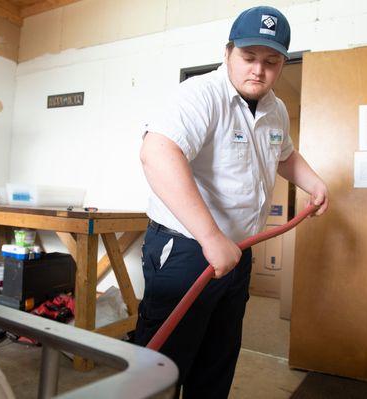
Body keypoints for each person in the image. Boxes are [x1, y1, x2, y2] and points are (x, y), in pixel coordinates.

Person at [135, 5, 329, 398]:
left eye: (271, 61)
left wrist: (314, 183)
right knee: (163, 367)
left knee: (217, 360)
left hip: (237, 253)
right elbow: (157, 153)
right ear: (227, 53)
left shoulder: (276, 109)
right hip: (187, 251)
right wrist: (210, 238)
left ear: (282, 65)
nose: (258, 70)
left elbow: (285, 155)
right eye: (249, 57)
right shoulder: (200, 94)